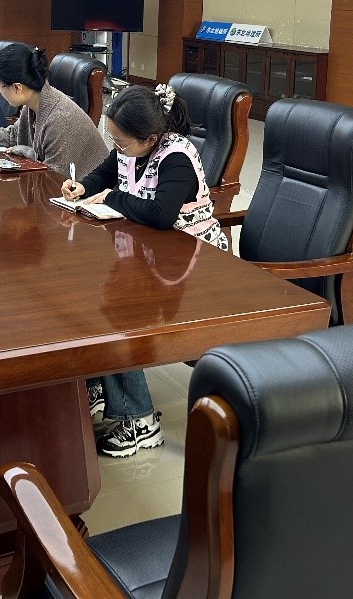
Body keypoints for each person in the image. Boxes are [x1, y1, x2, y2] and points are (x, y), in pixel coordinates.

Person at [62, 83, 227, 458]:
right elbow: (106, 171)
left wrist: (113, 197)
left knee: (121, 312)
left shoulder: (176, 158)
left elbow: (161, 215)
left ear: (150, 139)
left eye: (121, 142)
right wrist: (82, 187)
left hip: (193, 263)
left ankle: (139, 420)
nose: (116, 148)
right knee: (93, 298)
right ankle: (103, 384)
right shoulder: (131, 147)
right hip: (150, 253)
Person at [0, 44, 107, 177]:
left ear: (17, 87)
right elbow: (13, 135)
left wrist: (26, 151)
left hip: (90, 197)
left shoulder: (59, 118)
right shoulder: (34, 102)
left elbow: (54, 176)